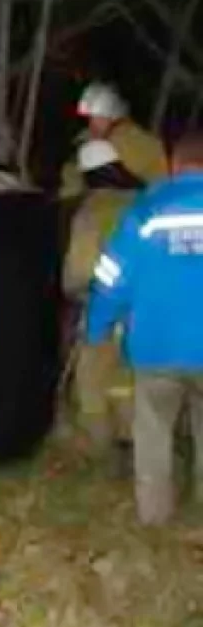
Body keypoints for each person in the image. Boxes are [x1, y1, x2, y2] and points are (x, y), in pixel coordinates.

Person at [85, 130, 203, 524]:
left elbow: (111, 278)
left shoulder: (146, 211)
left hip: (155, 347)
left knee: (153, 433)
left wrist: (97, 328)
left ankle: (154, 517)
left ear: (174, 165)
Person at [62, 139, 146, 470]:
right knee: (129, 377)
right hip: (148, 307)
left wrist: (72, 290)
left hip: (105, 306)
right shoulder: (146, 202)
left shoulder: (93, 210)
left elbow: (79, 268)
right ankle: (133, 440)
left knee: (92, 376)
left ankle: (98, 450)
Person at [59, 82, 167, 200]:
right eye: (89, 119)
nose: (92, 125)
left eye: (97, 118)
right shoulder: (90, 138)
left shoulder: (129, 139)